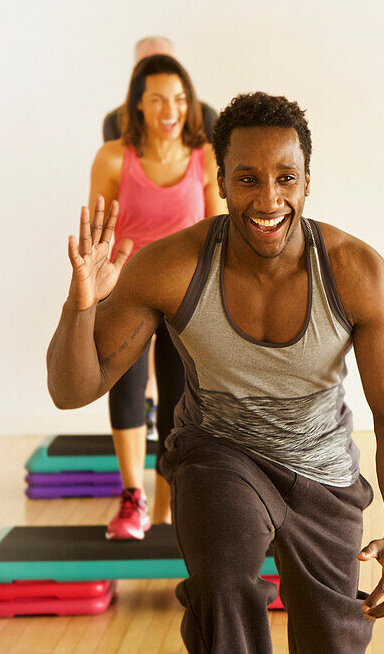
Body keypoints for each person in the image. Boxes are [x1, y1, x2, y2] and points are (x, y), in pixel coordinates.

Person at [48, 92, 384, 653]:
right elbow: (72, 389)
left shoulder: (356, 273)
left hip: (320, 470)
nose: (268, 198)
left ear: (306, 182)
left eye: (285, 178)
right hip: (218, 453)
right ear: (220, 181)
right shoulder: (172, 267)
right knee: (223, 584)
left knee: (334, 638)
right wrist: (80, 306)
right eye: (247, 179)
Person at [88, 54, 226, 539]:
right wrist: (95, 291)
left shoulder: (205, 157)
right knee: (125, 390)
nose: (171, 109)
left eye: (180, 99)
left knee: (177, 399)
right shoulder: (112, 159)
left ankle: (166, 511)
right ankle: (132, 501)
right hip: (127, 292)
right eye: (159, 100)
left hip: (184, 298)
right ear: (138, 105)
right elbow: (99, 232)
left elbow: (215, 233)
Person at [103, 37, 219, 143]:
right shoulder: (114, 123)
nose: (159, 73)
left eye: (166, 65)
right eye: (147, 66)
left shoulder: (206, 117)